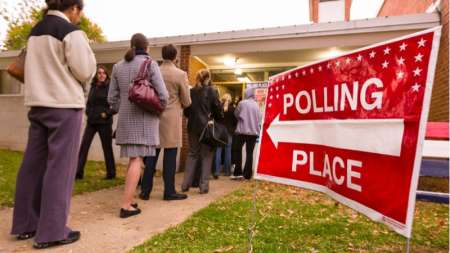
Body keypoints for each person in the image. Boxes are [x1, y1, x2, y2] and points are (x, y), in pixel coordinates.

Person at [10, 0, 96, 249]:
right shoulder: (70, 31)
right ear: (74, 8)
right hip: (64, 105)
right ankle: (52, 231)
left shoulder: (35, 31)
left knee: (32, 166)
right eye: (81, 11)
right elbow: (85, 70)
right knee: (60, 168)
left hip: (38, 104)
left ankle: (25, 224)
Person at [108, 33, 168, 218]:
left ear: (132, 46)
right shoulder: (150, 64)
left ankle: (130, 198)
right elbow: (163, 95)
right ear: (147, 47)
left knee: (134, 159)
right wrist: (158, 108)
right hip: (144, 120)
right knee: (137, 160)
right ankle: (126, 206)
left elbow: (112, 99)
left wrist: (123, 108)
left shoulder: (118, 66)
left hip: (125, 121)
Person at [140, 44, 191, 201]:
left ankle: (145, 191)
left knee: (151, 157)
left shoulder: (153, 71)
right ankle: (169, 191)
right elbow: (187, 101)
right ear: (175, 56)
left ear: (162, 55)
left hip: (154, 116)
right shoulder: (180, 74)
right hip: (171, 119)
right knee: (170, 157)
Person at [181, 69, 222, 194]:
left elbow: (186, 111)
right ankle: (203, 186)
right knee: (207, 156)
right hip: (207, 128)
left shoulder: (191, 91)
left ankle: (185, 185)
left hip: (192, 127)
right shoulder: (212, 91)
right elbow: (218, 110)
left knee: (192, 154)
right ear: (208, 78)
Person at [76, 65, 116, 180]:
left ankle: (111, 174)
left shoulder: (110, 87)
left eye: (103, 73)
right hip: (92, 122)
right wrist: (88, 112)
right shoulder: (93, 86)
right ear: (96, 75)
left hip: (104, 123)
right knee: (84, 146)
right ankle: (78, 173)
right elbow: (89, 103)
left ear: (106, 75)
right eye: (99, 73)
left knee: (107, 148)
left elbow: (116, 104)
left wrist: (107, 114)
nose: (101, 75)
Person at [232, 87, 262, 180]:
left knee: (238, 151)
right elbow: (260, 118)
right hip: (253, 132)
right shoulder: (257, 105)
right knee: (250, 153)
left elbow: (236, 114)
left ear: (246, 93)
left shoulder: (242, 103)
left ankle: (238, 173)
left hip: (242, 131)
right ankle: (247, 174)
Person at [213, 93, 237, 178]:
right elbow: (235, 122)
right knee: (228, 152)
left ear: (222, 100)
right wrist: (233, 130)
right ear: (230, 100)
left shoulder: (219, 109)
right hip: (229, 133)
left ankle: (217, 171)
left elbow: (215, 119)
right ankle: (227, 172)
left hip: (219, 132)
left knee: (218, 151)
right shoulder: (233, 109)